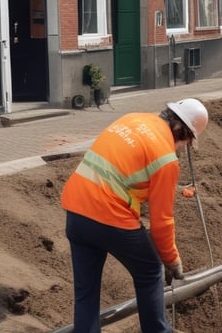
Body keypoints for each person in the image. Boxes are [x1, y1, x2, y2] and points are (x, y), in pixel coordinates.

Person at [61, 98, 209, 332]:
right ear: (182, 132)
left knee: (86, 291)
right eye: (186, 143)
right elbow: (162, 222)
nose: (182, 148)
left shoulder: (132, 119)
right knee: (150, 271)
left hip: (77, 211)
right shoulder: (166, 159)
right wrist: (171, 260)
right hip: (110, 215)